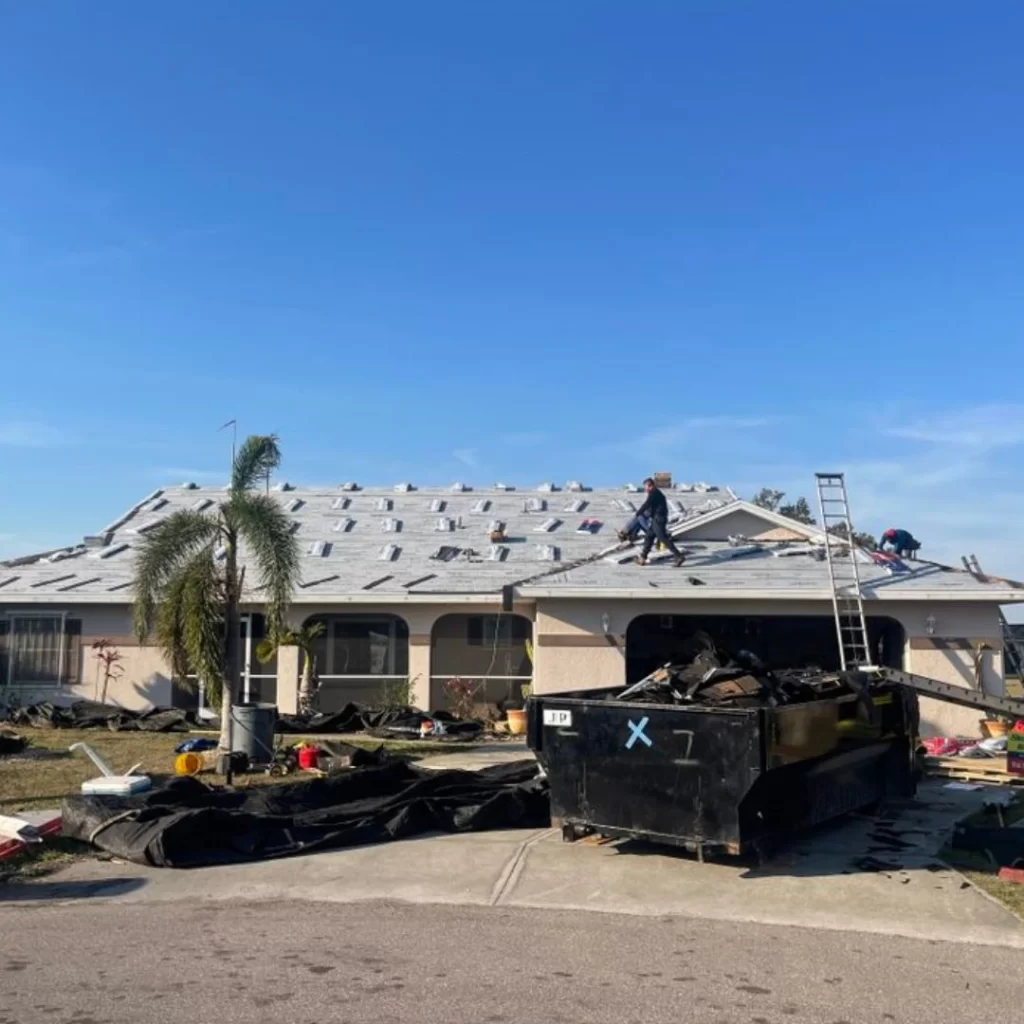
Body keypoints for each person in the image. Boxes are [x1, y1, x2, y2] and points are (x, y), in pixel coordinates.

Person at [616, 477, 686, 566]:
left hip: (659, 520)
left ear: (650, 486)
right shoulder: (655, 494)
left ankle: (679, 556)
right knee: (649, 537)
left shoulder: (654, 493)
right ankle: (642, 558)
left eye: (645, 487)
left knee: (662, 538)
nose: (645, 489)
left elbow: (646, 504)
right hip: (655, 520)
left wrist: (638, 513)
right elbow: (650, 509)